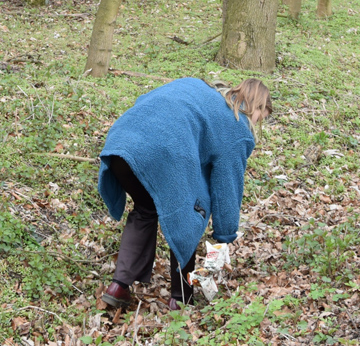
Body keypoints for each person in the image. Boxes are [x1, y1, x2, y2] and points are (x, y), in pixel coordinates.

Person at [97, 78, 271, 310]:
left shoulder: (198, 89)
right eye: (262, 115)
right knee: (189, 214)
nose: (258, 121)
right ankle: (181, 298)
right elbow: (227, 186)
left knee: (145, 209)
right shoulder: (236, 125)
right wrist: (224, 235)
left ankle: (118, 287)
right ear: (257, 106)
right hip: (163, 149)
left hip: (121, 141)